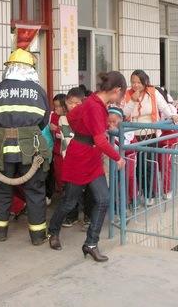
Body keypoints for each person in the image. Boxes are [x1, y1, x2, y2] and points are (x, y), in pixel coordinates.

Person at [48, 71, 127, 262]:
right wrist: (117, 158)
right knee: (69, 201)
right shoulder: (93, 105)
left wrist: (90, 130)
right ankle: (53, 231)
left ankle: (91, 243)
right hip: (80, 157)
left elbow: (75, 118)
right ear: (116, 90)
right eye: (121, 94)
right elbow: (99, 140)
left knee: (103, 199)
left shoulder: (95, 103)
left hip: (91, 156)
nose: (120, 99)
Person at [0, 48, 51, 244]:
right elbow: (44, 121)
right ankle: (38, 236)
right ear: (30, 69)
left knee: (1, 191)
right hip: (32, 150)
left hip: (2, 150)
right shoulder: (39, 91)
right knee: (35, 191)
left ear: (10, 68)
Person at [123, 70, 178, 206]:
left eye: (138, 82)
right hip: (134, 136)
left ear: (144, 82)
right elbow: (124, 114)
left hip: (151, 134)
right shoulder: (127, 94)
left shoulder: (152, 92)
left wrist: (172, 115)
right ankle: (141, 192)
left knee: (148, 165)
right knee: (137, 166)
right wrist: (133, 101)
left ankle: (149, 194)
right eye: (133, 82)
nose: (135, 85)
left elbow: (163, 106)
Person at [60, 87, 87, 228]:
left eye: (77, 103)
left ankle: (88, 217)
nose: (74, 106)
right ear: (66, 103)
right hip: (70, 160)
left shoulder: (88, 117)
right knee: (70, 191)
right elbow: (67, 139)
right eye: (71, 103)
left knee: (88, 190)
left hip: (86, 160)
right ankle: (72, 216)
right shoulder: (63, 119)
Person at [50, 94, 67, 195]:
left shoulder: (70, 116)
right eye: (55, 106)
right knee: (59, 175)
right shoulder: (54, 116)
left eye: (59, 106)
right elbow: (56, 135)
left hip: (68, 153)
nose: (56, 109)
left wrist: (57, 129)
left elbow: (68, 134)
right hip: (58, 152)